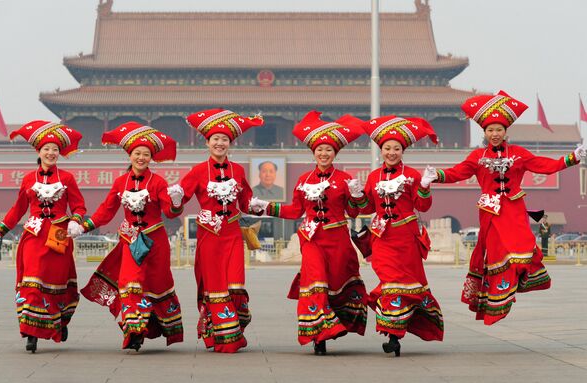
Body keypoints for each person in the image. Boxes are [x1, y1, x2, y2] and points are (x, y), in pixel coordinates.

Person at [424, 90, 586, 325]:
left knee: (523, 248)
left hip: (514, 209)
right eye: (490, 130)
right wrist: (436, 175)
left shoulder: (519, 154)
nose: (495, 134)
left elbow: (544, 165)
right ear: (485, 133)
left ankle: (519, 281)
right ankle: (499, 296)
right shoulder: (477, 157)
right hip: (491, 213)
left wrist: (571, 158)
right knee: (498, 254)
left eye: (499, 129)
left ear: (506, 131)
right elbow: (457, 173)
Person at [251, 111, 368, 355]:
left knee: (335, 283)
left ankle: (334, 324)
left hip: (338, 240)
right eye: (319, 150)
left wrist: (357, 197)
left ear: (335, 153)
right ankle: (319, 333)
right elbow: (295, 210)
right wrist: (266, 208)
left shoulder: (345, 179)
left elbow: (356, 213)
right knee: (315, 282)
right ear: (313, 152)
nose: (323, 154)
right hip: (311, 239)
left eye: (328, 150)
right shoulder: (304, 179)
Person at [76, 122, 184, 351]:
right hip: (131, 242)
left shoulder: (158, 182)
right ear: (130, 155)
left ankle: (152, 326)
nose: (141, 157)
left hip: (155, 243)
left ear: (151, 158)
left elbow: (169, 211)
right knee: (129, 283)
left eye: (146, 154)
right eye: (137, 153)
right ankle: (134, 331)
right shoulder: (119, 182)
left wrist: (175, 203)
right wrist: (83, 226)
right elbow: (105, 212)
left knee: (156, 285)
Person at [0, 120, 86, 353]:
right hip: (33, 234)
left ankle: (58, 322)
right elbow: (18, 209)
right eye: (46, 149)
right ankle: (31, 331)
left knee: (57, 283)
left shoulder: (68, 178)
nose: (51, 153)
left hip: (59, 233)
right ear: (38, 152)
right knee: (32, 281)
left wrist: (75, 221)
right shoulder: (28, 179)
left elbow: (80, 207)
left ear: (59, 153)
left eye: (54, 149)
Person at [174, 108, 263, 353]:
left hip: (232, 234)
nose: (220, 143)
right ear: (207, 142)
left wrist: (256, 206)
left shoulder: (239, 171)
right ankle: (223, 337)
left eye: (224, 139)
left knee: (235, 285)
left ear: (230, 143)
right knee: (215, 286)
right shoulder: (198, 171)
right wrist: (175, 198)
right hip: (209, 235)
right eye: (216, 139)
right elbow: (178, 202)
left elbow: (245, 203)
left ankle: (234, 325)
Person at [355, 115, 443, 357]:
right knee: (389, 281)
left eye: (396, 148)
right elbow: (366, 207)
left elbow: (423, 207)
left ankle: (395, 334)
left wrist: (424, 186)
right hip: (382, 238)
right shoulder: (373, 177)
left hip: (406, 236)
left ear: (402, 151)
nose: (391, 152)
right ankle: (393, 333)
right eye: (387, 148)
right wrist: (356, 196)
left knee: (405, 284)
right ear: (381, 150)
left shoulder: (413, 175)